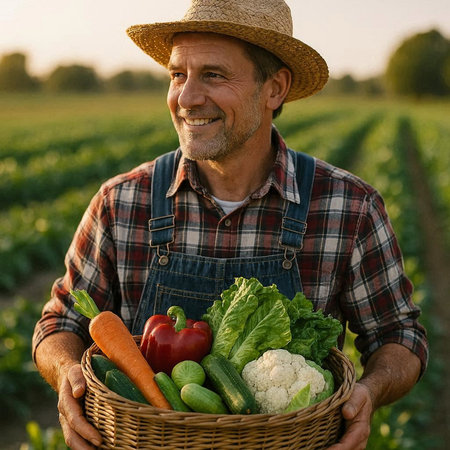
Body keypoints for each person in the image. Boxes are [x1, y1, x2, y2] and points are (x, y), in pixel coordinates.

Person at [32, 0, 428, 449]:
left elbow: (398, 334)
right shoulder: (122, 202)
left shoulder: (348, 207)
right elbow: (59, 322)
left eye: (213, 75)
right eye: (177, 74)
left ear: (274, 89)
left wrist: (369, 392)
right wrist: (67, 374)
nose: (186, 97)